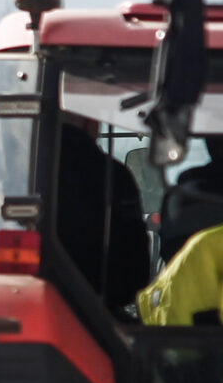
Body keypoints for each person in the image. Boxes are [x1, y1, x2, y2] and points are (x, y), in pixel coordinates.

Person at [52, 116, 154, 308]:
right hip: (103, 311)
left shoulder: (22, 173)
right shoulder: (115, 176)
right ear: (91, 124)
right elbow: (136, 269)